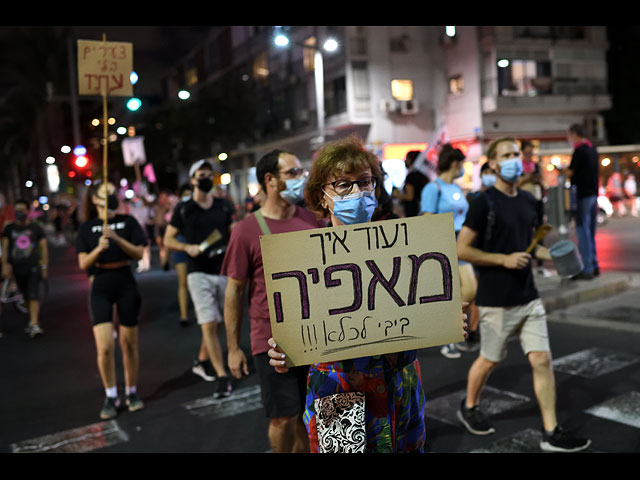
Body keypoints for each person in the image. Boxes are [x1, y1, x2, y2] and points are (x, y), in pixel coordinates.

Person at [267, 135, 468, 453]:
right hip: (337, 388)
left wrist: (445, 316)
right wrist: (284, 350)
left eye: (365, 182)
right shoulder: (303, 259)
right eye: (343, 185)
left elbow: (422, 310)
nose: (358, 193)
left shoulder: (405, 243)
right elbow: (296, 324)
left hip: (399, 383)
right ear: (322, 196)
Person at [456, 137, 591, 453]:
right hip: (495, 299)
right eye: (506, 155)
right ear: (491, 164)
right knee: (489, 359)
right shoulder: (482, 203)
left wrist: (556, 255)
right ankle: (470, 405)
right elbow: (461, 248)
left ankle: (551, 430)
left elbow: (532, 244)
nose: (514, 159)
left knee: (542, 359)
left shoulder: (530, 201)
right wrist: (503, 259)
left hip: (528, 297)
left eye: (517, 153)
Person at [222, 149, 324, 453]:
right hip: (270, 340)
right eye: (292, 173)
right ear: (270, 180)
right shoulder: (246, 231)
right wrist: (232, 349)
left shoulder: (313, 219)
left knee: (313, 415)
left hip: (315, 335)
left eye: (300, 172)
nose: (301, 178)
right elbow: (234, 292)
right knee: (284, 416)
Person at [76, 181, 147, 420]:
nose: (111, 197)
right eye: (105, 194)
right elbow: (83, 263)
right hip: (101, 284)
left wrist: (117, 238)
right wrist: (98, 249)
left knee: (129, 343)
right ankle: (110, 394)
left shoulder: (128, 222)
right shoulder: (87, 228)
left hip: (125, 281)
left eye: (113, 192)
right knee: (105, 347)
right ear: (95, 199)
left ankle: (132, 391)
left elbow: (138, 253)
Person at [164, 160, 235, 397]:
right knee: (208, 322)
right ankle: (222, 376)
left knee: (217, 322)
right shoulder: (184, 209)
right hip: (197, 272)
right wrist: (187, 248)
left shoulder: (223, 206)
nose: (206, 178)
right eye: (201, 175)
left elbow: (233, 231)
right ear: (193, 179)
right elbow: (168, 239)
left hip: (222, 269)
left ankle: (202, 361)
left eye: (209, 174)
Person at [420, 144, 476, 359]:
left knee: (469, 290)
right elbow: (426, 218)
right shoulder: (433, 188)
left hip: (462, 241)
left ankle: (456, 333)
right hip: (445, 242)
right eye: (462, 164)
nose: (463, 168)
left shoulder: (455, 187)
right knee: (464, 289)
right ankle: (449, 335)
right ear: (455, 164)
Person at [1, 199, 48, 338]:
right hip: (17, 267)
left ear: (28, 211)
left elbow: (43, 247)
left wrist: (44, 266)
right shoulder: (9, 229)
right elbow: (5, 247)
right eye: (17, 210)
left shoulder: (36, 228)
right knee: (26, 295)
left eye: (22, 210)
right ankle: (32, 319)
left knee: (33, 294)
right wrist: (5, 265)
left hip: (33, 266)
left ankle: (34, 324)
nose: (19, 213)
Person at [561, 124, 600, 279]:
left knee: (582, 231)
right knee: (590, 232)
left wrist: (562, 170)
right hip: (593, 194)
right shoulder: (592, 148)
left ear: (574, 134)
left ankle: (588, 269)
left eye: (569, 135)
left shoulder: (579, 150)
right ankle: (595, 265)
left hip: (582, 195)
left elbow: (571, 172)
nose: (568, 138)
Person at [392, 150, 429, 217]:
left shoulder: (411, 176)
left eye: (407, 158)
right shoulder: (423, 175)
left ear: (411, 160)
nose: (405, 161)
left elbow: (410, 196)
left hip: (414, 211)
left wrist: (397, 195)